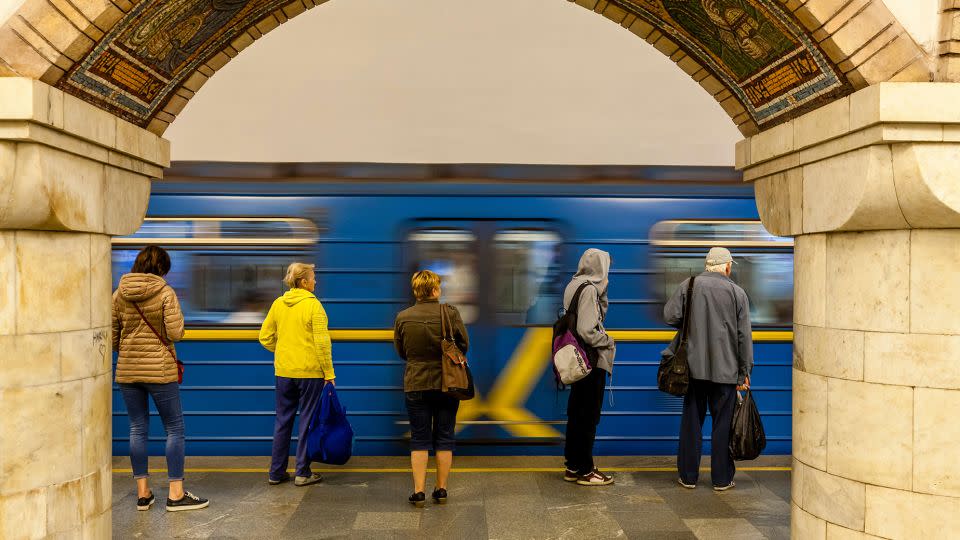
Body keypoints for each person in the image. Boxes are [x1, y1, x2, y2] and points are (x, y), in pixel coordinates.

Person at [113, 245, 209, 512]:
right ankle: (176, 495)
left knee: (137, 428)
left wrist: (132, 350)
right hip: (160, 370)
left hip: (127, 371)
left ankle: (143, 494)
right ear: (162, 268)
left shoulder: (118, 295)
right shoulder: (166, 292)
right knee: (174, 428)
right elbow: (176, 333)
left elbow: (112, 338)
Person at [663, 247, 753, 491]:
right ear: (726, 267)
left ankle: (688, 476)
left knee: (691, 422)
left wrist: (694, 320)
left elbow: (669, 316)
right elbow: (744, 336)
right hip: (726, 372)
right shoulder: (737, 293)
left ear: (706, 265)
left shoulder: (689, 285)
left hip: (693, 370)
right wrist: (744, 372)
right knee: (723, 425)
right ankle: (722, 479)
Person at [394, 270, 469, 507]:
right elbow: (464, 345)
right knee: (444, 436)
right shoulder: (450, 313)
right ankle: (441, 489)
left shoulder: (403, 317)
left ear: (416, 291)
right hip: (448, 384)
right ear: (435, 290)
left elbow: (401, 352)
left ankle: (418, 492)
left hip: (415, 382)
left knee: (419, 438)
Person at [259, 262, 335, 487]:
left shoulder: (278, 303)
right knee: (307, 420)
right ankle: (302, 472)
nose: (316, 281)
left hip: (284, 371)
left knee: (282, 421)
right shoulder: (314, 306)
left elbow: (265, 337)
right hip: (310, 372)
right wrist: (329, 373)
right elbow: (322, 343)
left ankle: (276, 472)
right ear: (303, 282)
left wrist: (284, 351)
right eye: (313, 277)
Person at [562, 248, 616, 486]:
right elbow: (587, 329)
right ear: (600, 267)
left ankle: (573, 466)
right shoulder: (590, 290)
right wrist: (608, 341)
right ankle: (586, 469)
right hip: (590, 360)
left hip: (576, 359)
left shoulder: (574, 284)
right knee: (588, 416)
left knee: (576, 413)